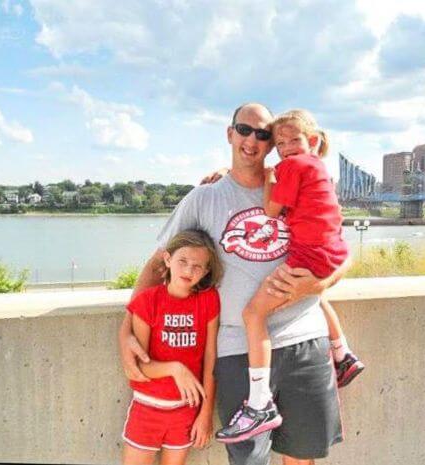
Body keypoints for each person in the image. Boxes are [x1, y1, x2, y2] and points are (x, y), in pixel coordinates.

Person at [119, 102, 349, 465]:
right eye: (244, 130)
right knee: (248, 461)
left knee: (302, 458)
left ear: (273, 143)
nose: (252, 140)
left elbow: (338, 253)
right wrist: (127, 331)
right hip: (237, 350)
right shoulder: (204, 197)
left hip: (304, 339)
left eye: (263, 134)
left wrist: (317, 285)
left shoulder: (298, 184)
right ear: (230, 133)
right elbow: (156, 265)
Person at [215, 109, 364, 443]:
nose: (285, 148)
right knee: (314, 296)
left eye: (291, 140)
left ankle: (258, 404)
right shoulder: (320, 168)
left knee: (254, 313)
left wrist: (270, 176)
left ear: (311, 141)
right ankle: (342, 353)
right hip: (330, 251)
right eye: (279, 143)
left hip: (308, 258)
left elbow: (270, 210)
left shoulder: (290, 166)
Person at [121, 230, 222, 465]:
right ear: (168, 259)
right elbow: (140, 367)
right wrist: (175, 369)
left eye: (197, 266)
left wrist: (205, 414)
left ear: (207, 271)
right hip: (146, 409)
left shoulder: (209, 299)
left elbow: (211, 360)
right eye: (182, 261)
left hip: (185, 412)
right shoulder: (147, 301)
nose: (188, 271)